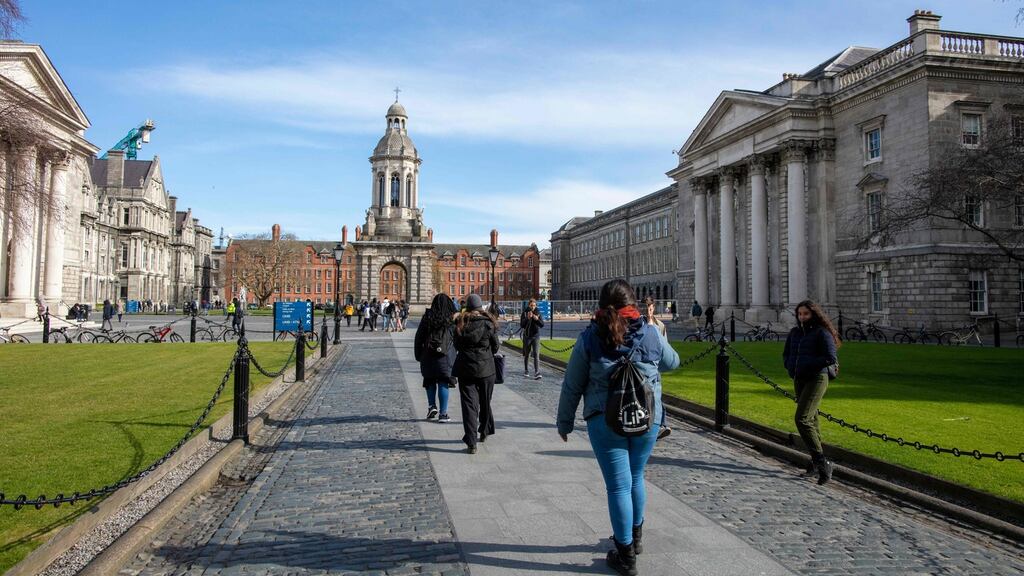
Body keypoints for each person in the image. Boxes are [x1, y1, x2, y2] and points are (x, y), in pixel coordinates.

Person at [557, 279, 680, 576]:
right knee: (636, 477)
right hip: (645, 418)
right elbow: (673, 363)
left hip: (605, 419)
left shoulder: (590, 336)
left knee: (618, 486)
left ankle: (625, 554)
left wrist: (564, 421)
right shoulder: (649, 332)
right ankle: (635, 540)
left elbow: (573, 384)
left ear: (601, 304)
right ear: (633, 303)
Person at [783, 300, 841, 485]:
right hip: (799, 378)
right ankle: (817, 463)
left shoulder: (821, 333)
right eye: (800, 314)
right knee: (812, 419)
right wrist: (791, 367)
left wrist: (807, 365)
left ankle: (822, 462)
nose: (802, 317)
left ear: (813, 314)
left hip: (817, 377)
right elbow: (786, 354)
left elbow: (830, 357)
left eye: (806, 314)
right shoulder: (795, 333)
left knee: (802, 418)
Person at [453, 294, 499, 454]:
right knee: (485, 402)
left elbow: (456, 345)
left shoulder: (461, 323)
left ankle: (471, 441)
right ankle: (484, 431)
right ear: (480, 308)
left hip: (466, 367)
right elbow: (496, 347)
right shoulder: (489, 323)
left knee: (469, 406)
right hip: (486, 368)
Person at [415, 293, 458, 424]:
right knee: (443, 382)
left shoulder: (427, 317)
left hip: (427, 354)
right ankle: (443, 414)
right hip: (445, 356)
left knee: (429, 381)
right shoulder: (452, 319)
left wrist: (418, 355)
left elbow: (419, 337)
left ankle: (431, 406)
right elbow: (458, 338)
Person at [642, 296, 673, 442]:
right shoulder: (638, 324)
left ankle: (661, 424)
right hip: (642, 367)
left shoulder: (660, 325)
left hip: (655, 367)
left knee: (656, 396)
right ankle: (654, 423)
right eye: (645, 308)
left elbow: (665, 347)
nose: (648, 311)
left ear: (653, 308)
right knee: (649, 396)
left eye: (650, 308)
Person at [520, 298, 545, 379]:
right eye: (531, 305)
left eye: (534, 306)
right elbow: (522, 325)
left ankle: (537, 372)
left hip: (536, 336)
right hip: (527, 336)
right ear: (529, 305)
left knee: (536, 354)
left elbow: (542, 324)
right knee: (527, 354)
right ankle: (526, 370)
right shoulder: (524, 313)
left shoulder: (538, 313)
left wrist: (536, 319)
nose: (533, 307)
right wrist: (527, 318)